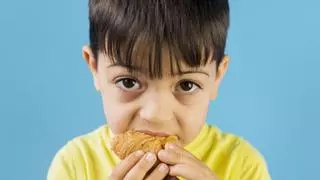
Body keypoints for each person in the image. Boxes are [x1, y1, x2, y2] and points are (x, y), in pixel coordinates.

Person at [47, 0, 271, 179]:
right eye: (128, 82)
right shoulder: (76, 165)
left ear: (217, 77)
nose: (156, 114)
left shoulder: (242, 165)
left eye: (186, 85)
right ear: (95, 68)